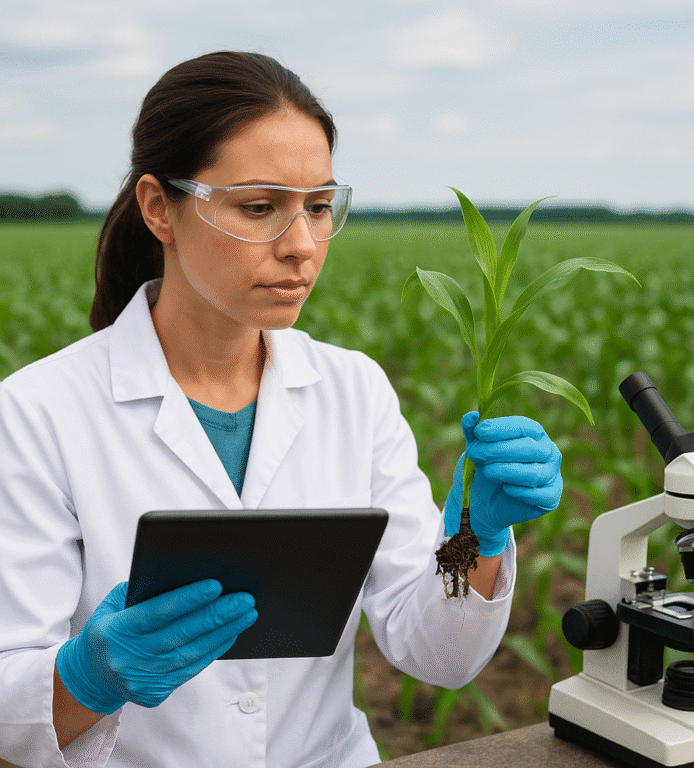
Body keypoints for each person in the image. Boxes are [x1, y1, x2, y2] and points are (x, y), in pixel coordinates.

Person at [0, 52, 562, 768]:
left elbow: (433, 651)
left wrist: (474, 540)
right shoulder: (36, 412)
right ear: (157, 207)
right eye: (259, 208)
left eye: (319, 207)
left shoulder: (353, 391)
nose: (301, 247)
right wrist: (88, 676)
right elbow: (6, 709)